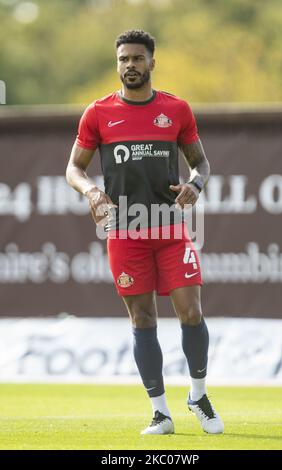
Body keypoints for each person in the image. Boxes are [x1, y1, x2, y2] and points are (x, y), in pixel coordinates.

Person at [66, 29, 224, 435]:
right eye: (124, 59)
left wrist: (196, 185)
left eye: (138, 58)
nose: (130, 66)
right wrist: (92, 191)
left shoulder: (177, 109)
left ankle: (199, 395)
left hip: (171, 229)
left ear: (152, 62)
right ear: (117, 63)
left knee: (191, 310)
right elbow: (74, 168)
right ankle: (160, 412)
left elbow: (202, 165)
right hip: (124, 231)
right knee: (143, 319)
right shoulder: (98, 113)